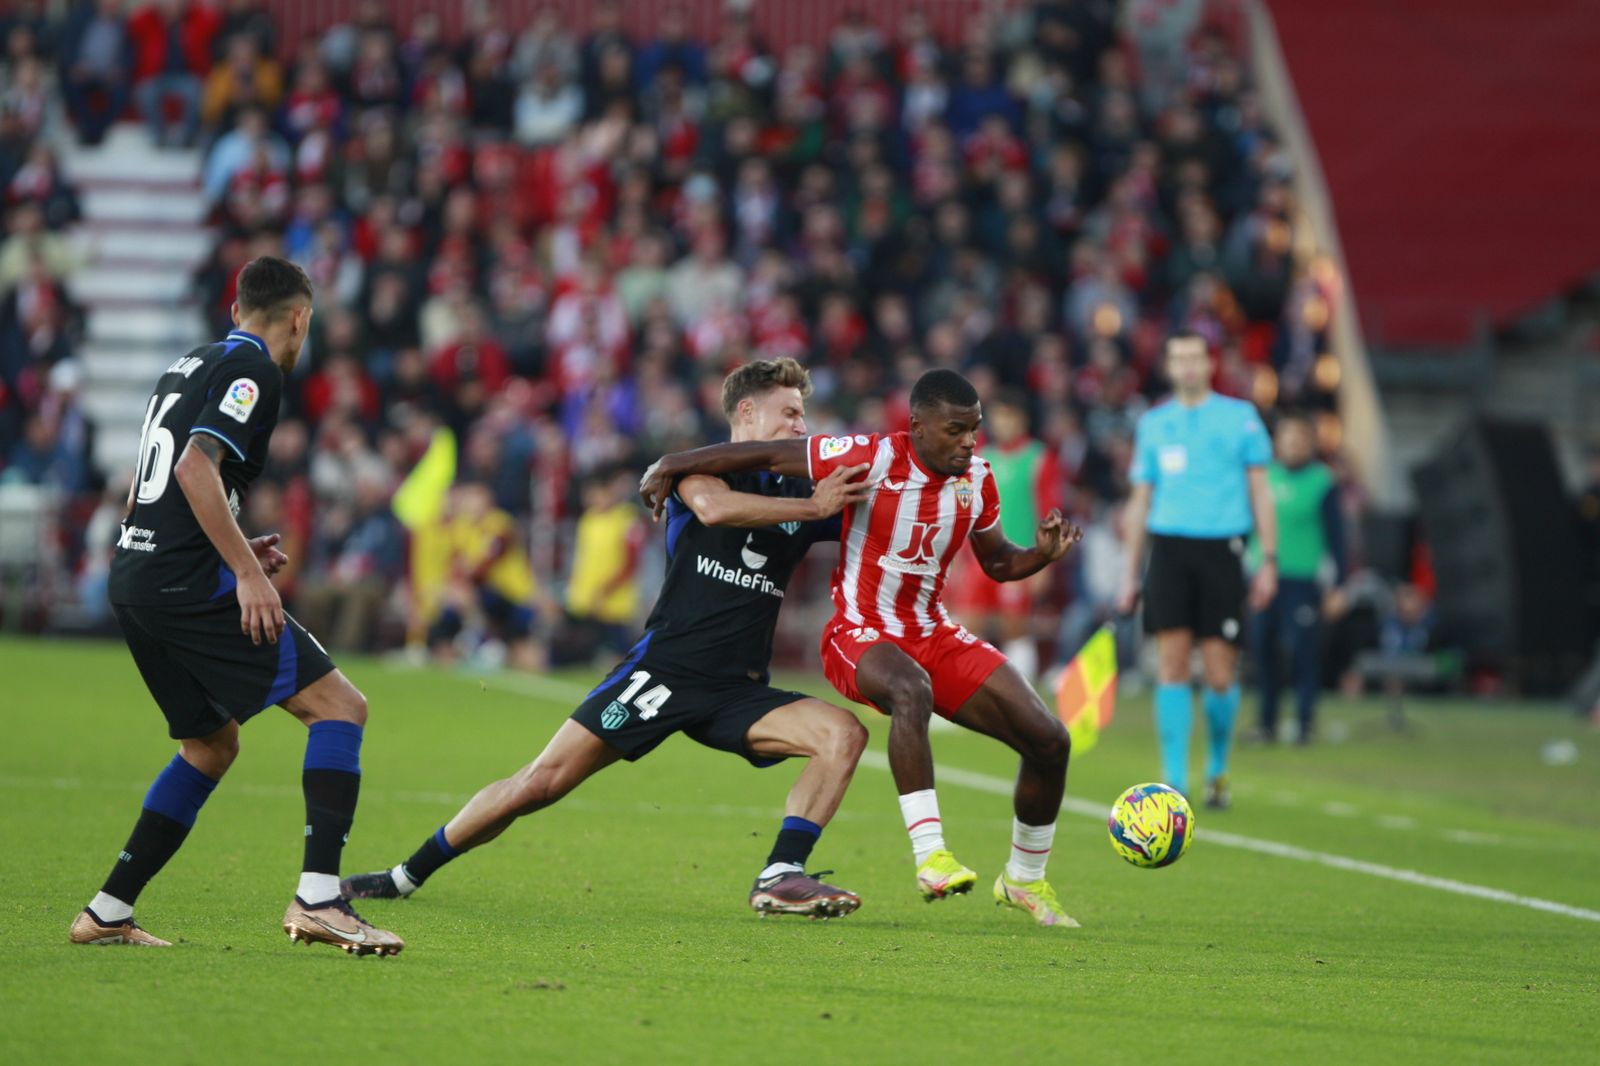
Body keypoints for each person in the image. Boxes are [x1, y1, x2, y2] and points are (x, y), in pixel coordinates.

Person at [342, 358, 874, 919]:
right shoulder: (696, 469)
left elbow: (871, 509)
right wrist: (814, 507)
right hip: (665, 672)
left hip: (737, 689)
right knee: (540, 783)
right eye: (789, 413)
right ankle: (404, 875)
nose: (800, 426)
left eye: (802, 415)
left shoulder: (801, 486)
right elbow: (714, 510)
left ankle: (781, 873)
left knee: (843, 733)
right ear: (747, 411)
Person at [640, 369, 1085, 928]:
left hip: (933, 631)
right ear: (917, 426)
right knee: (911, 690)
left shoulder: (978, 478)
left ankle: (1024, 878)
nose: (969, 442)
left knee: (1049, 740)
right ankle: (932, 856)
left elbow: (997, 561)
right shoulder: (871, 456)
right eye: (956, 431)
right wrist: (675, 462)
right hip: (860, 632)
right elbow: (769, 454)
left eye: (974, 429)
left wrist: (1040, 554)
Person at [72, 256, 403, 954]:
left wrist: (228, 547)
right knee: (340, 708)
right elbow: (194, 466)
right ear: (300, 319)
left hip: (136, 574)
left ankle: (106, 911)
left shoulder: (186, 364)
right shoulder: (257, 371)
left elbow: (146, 488)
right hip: (184, 584)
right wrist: (247, 574)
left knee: (210, 745)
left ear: (234, 311)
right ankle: (320, 898)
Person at [1115, 331, 1277, 810]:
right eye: (1178, 358)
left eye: (1195, 357)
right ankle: (1174, 780)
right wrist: (1129, 573)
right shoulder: (1154, 423)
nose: (1187, 366)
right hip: (1169, 547)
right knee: (1172, 664)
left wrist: (1268, 561)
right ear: (1168, 366)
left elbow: (1261, 492)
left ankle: (1218, 770)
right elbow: (1140, 500)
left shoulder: (1241, 418)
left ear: (1210, 364)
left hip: (1224, 547)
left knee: (1220, 671)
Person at [1250, 411, 1345, 744]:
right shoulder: (1265, 478)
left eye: (1300, 438)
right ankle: (1266, 724)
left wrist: (1339, 586)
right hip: (1264, 579)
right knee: (1263, 651)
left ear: (1312, 443)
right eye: (1288, 437)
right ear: (1277, 442)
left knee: (1303, 653)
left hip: (1303, 580)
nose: (1293, 444)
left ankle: (1304, 724)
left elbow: (1338, 537)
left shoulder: (1322, 481)